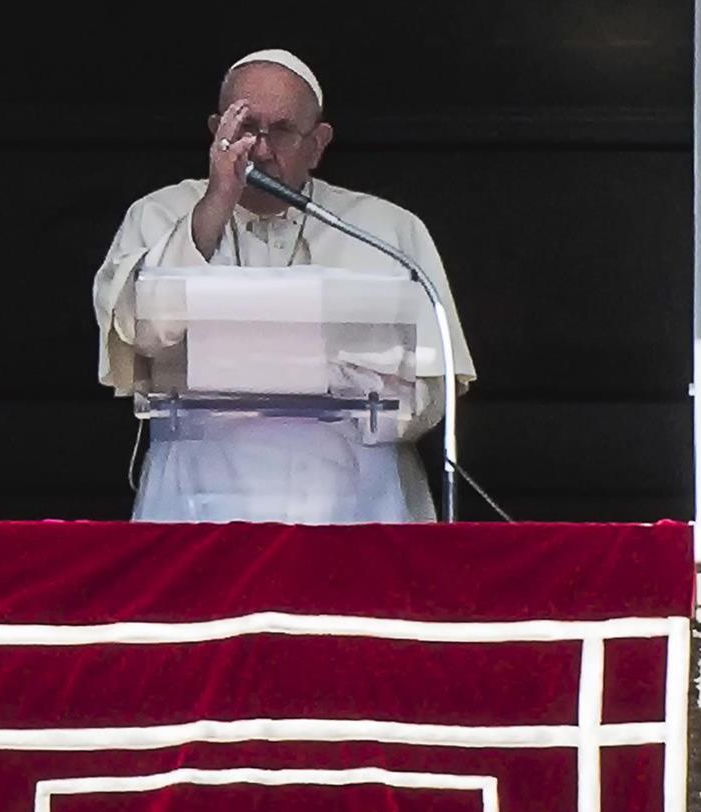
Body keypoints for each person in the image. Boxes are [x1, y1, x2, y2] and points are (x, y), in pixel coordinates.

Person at [93, 49, 475, 524]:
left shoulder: (388, 230)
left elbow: (431, 396)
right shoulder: (157, 214)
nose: (260, 148)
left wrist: (335, 385)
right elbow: (145, 331)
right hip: (197, 496)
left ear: (318, 143)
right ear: (216, 131)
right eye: (245, 126)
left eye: (282, 130)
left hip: (352, 501)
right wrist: (217, 199)